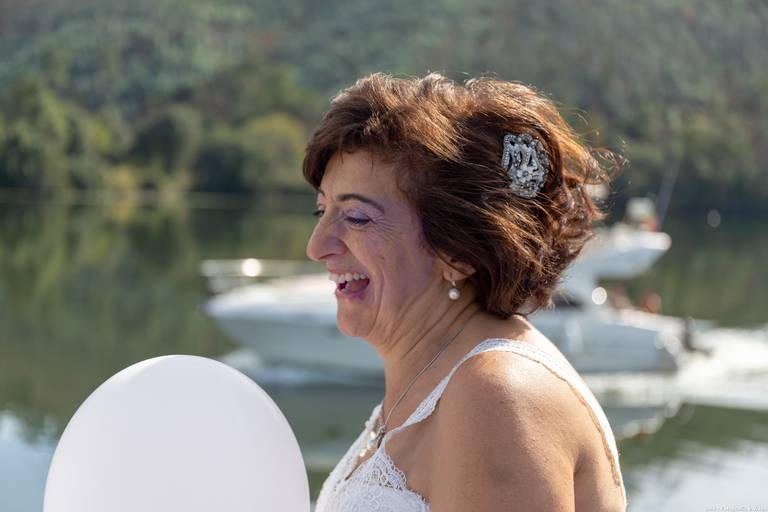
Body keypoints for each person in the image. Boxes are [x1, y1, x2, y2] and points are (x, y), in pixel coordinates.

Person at [304, 73, 627, 511]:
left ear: (457, 251)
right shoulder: (437, 378)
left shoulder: (498, 395)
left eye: (357, 217)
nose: (317, 246)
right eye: (322, 210)